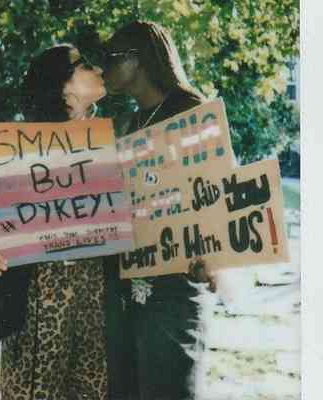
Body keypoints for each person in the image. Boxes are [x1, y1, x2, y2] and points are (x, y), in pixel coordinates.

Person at [0, 44, 108, 400]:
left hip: (98, 313)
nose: (97, 67)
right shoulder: (19, 148)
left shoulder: (111, 143)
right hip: (33, 309)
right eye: (83, 64)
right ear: (63, 86)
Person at [102, 21, 215, 400]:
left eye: (112, 58)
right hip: (131, 292)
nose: (104, 69)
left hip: (174, 291)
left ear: (139, 60)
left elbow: (216, 194)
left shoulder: (192, 111)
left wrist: (217, 258)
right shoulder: (132, 122)